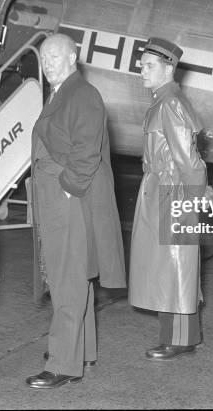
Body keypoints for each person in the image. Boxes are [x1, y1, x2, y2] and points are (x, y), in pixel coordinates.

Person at [27, 33, 126, 389]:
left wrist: (67, 189)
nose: (49, 63)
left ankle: (63, 364)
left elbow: (86, 155)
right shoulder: (63, 91)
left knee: (66, 280)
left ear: (73, 57)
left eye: (56, 56)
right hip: (62, 198)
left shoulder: (82, 94)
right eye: (44, 58)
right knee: (74, 279)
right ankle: (80, 351)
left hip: (67, 200)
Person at [129, 37, 207, 360]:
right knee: (173, 265)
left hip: (171, 193)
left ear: (168, 68)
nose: (142, 71)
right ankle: (184, 335)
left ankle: (175, 338)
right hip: (165, 189)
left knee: (173, 267)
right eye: (142, 65)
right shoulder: (165, 100)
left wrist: (191, 201)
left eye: (150, 66)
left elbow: (188, 162)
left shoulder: (169, 104)